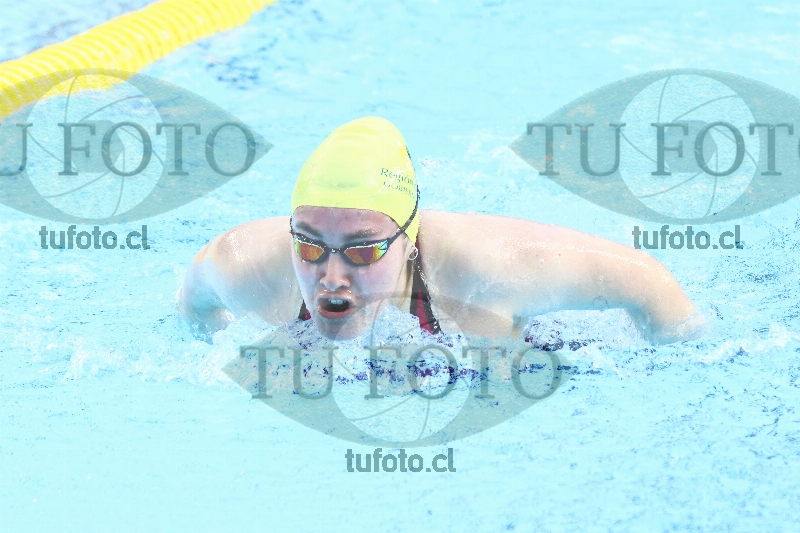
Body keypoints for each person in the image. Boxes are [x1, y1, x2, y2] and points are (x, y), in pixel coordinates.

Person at [179, 117, 704, 344]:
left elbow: (647, 280)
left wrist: (678, 360)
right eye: (310, 245)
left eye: (362, 250)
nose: (331, 276)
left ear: (408, 240)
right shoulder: (244, 267)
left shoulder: (491, 270)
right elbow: (193, 305)